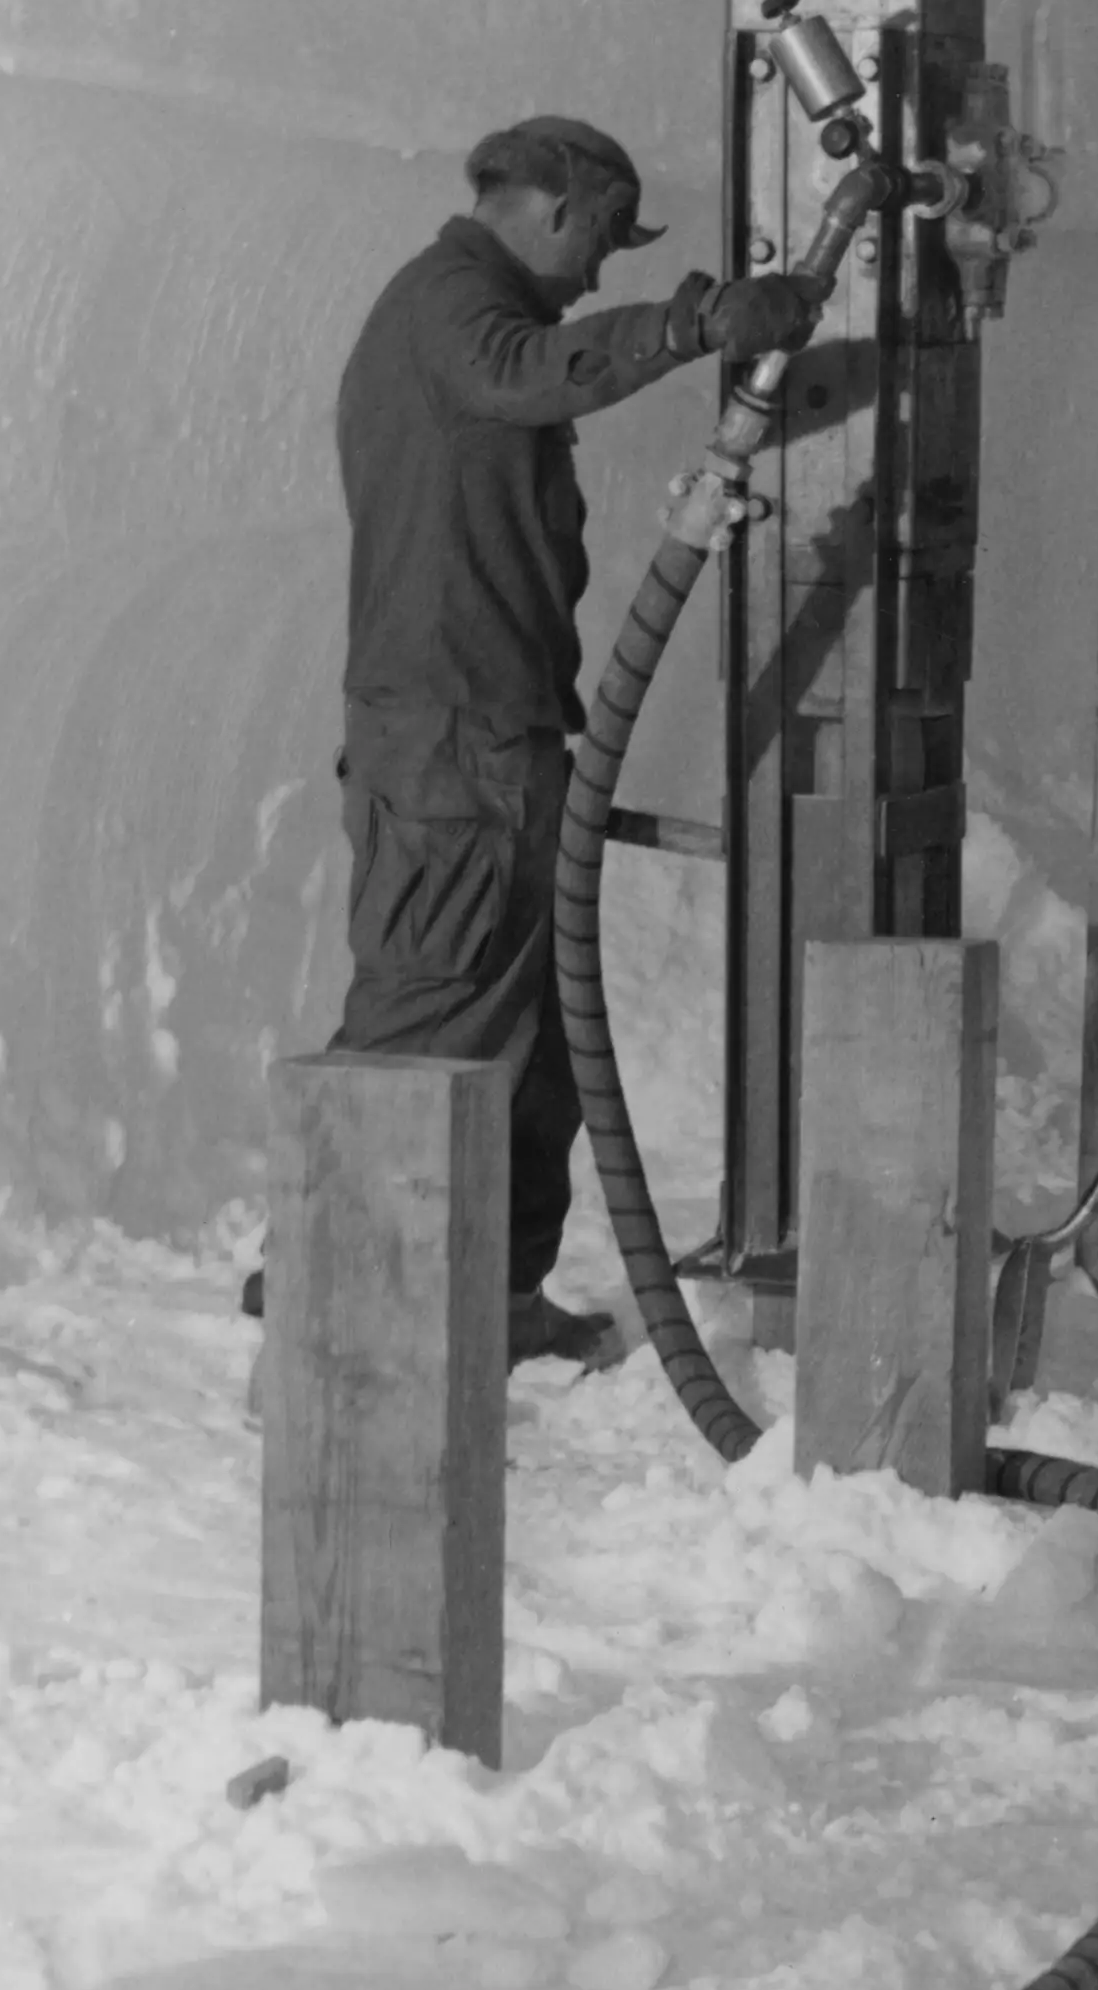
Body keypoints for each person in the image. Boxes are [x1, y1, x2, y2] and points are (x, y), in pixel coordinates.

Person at [302, 115, 818, 1364]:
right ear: (546, 207)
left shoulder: (472, 310)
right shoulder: (446, 307)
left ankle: (495, 1289)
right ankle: (326, 1283)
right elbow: (530, 372)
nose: (601, 268)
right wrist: (690, 327)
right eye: (600, 238)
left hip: (504, 731)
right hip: (445, 740)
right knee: (428, 1018)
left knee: (527, 1038)